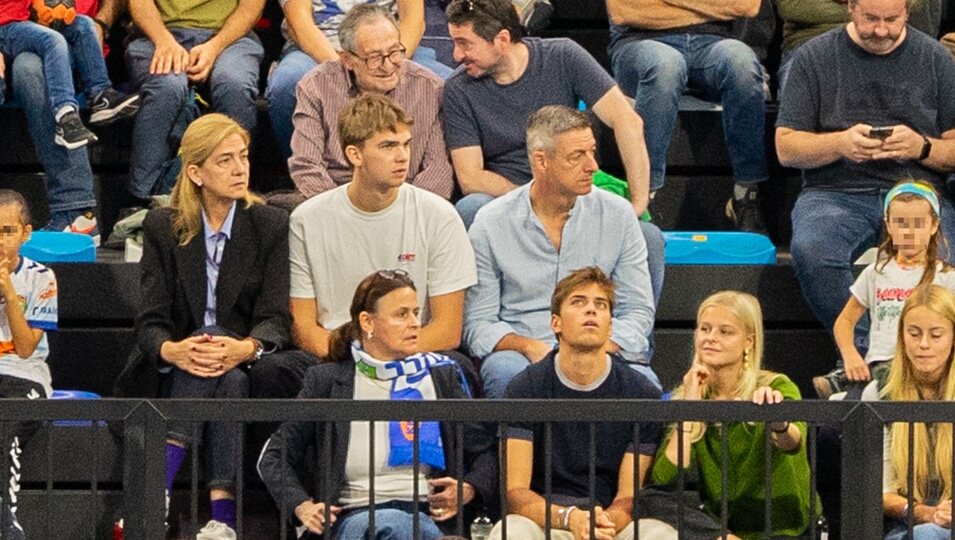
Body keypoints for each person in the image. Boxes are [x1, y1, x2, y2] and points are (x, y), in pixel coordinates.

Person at [113, 114, 294, 537]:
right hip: (179, 363)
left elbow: (274, 317)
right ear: (195, 172)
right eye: (225, 160)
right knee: (221, 373)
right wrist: (172, 350)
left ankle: (151, 495)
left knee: (221, 357)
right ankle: (223, 523)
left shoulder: (269, 224)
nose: (240, 169)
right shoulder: (164, 226)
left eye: (243, 157)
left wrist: (247, 348)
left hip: (243, 359)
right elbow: (152, 318)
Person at [258, 270, 496, 539]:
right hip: (354, 518)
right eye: (401, 314)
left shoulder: (442, 376)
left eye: (416, 312)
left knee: (405, 526)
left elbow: (484, 452)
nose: (415, 323)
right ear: (367, 322)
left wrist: (469, 488)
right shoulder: (327, 381)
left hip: (429, 516)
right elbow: (274, 456)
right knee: (393, 524)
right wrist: (302, 506)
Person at [776, 0, 955, 343]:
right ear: (851, 8)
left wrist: (922, 147)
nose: (881, 30)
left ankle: (918, 358)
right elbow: (786, 146)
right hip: (836, 191)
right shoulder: (814, 57)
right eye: (871, 18)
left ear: (907, 11)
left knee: (944, 259)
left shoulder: (934, 58)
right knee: (813, 251)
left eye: (892, 19)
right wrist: (840, 144)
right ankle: (871, 351)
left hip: (915, 190)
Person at [465, 105, 656, 398]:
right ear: (541, 161)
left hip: (600, 345)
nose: (592, 166)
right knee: (504, 372)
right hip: (525, 349)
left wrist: (589, 349)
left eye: (592, 152)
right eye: (577, 156)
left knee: (645, 384)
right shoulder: (492, 222)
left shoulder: (618, 214)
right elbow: (480, 323)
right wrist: (529, 347)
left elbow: (638, 311)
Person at [288, 93, 474, 374]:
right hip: (337, 355)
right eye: (388, 146)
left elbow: (447, 330)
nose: (402, 157)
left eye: (406, 144)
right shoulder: (307, 220)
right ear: (354, 154)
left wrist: (382, 356)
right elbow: (303, 327)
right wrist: (361, 362)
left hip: (411, 353)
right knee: (278, 370)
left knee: (457, 367)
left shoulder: (439, 215)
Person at [490, 267, 671, 540]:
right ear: (556, 323)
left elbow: (629, 496)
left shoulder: (640, 393)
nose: (591, 310)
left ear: (610, 326)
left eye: (601, 305)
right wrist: (569, 518)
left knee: (659, 533)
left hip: (609, 523)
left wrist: (603, 522)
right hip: (549, 522)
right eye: (578, 302)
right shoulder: (525, 388)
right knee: (510, 530)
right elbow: (516, 493)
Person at [650, 291, 818, 539]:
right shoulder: (689, 395)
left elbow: (793, 442)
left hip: (781, 528)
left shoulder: (777, 386)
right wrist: (690, 406)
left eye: (725, 332)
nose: (710, 339)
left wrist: (778, 422)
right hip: (723, 531)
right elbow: (665, 479)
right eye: (704, 329)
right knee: (649, 499)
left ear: (748, 342)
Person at [605, 0, 770, 233]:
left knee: (743, 64)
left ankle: (745, 194)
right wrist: (708, 8)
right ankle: (643, 198)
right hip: (640, 43)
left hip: (713, 42)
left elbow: (747, 6)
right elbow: (623, 11)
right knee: (666, 66)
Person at [286, 3, 453, 201]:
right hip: (335, 201)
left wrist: (404, 212)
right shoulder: (316, 87)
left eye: (394, 52)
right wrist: (340, 212)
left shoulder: (429, 88)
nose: (388, 66)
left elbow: (438, 170)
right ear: (346, 59)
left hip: (408, 204)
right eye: (374, 58)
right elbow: (307, 165)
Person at [814, 181, 955, 399]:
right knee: (862, 404)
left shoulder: (945, 276)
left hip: (925, 363)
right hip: (883, 360)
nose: (909, 232)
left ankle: (843, 384)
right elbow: (845, 321)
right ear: (888, 225)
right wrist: (850, 354)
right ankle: (850, 384)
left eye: (918, 224)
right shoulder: (875, 273)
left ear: (934, 225)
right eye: (901, 223)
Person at [4, 0, 126, 242]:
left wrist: (101, 23)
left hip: (59, 37)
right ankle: (75, 209)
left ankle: (78, 213)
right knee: (29, 67)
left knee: (32, 65)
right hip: (13, 33)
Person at [125, 0, 264, 200]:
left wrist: (215, 46)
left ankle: (240, 195)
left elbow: (252, 7)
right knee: (168, 85)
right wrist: (164, 41)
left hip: (230, 37)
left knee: (234, 84)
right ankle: (142, 198)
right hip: (159, 33)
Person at [860, 284, 955, 540]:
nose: (923, 344)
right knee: (927, 535)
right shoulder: (879, 392)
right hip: (907, 525)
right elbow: (880, 491)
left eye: (936, 335)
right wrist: (926, 513)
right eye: (914, 333)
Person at [0, 190, 57, 540]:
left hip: (24, 376)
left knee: (2, 422)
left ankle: (6, 520)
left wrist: (8, 293)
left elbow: (24, 348)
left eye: (7, 231)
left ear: (25, 233)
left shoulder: (41, 277)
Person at [0, 9, 139, 148]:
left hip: (27, 18)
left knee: (83, 24)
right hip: (6, 26)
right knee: (52, 40)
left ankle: (100, 96)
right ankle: (65, 118)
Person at [775, 0, 942, 94]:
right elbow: (792, 6)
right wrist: (868, 8)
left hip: (888, 38)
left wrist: (865, 8)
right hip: (811, 40)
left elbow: (917, 3)